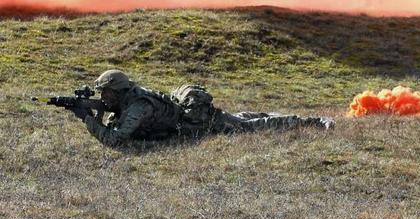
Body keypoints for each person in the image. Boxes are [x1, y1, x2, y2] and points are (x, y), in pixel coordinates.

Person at [81, 70, 333, 147]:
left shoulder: (137, 106)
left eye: (106, 92)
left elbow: (114, 140)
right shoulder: (129, 98)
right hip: (189, 118)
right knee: (243, 118)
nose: (104, 96)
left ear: (118, 91)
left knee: (252, 127)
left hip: (197, 125)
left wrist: (87, 119)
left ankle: (313, 121)